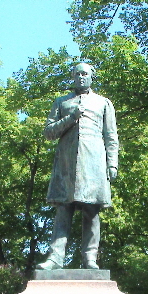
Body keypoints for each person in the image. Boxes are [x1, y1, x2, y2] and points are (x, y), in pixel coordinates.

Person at [37, 62, 119, 270]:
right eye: (77, 74)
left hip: (94, 163)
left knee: (91, 211)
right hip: (66, 164)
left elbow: (111, 136)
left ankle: (90, 258)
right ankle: (55, 258)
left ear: (92, 76)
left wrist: (113, 164)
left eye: (85, 73)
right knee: (63, 210)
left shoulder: (103, 103)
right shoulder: (62, 102)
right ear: (72, 77)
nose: (81, 77)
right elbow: (48, 133)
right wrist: (71, 118)